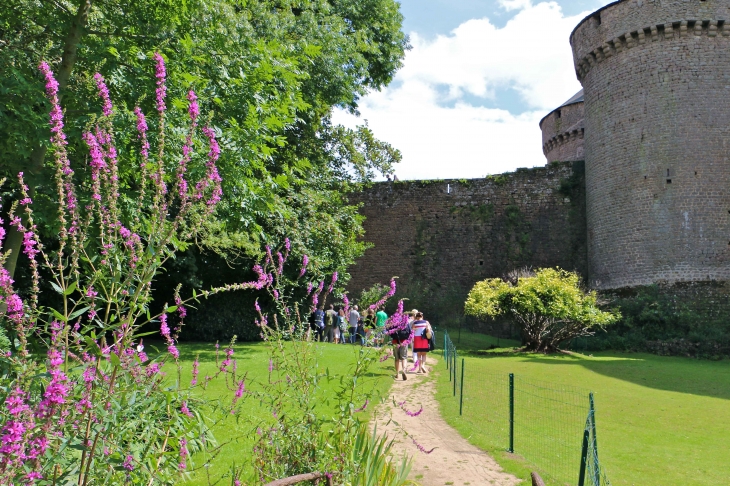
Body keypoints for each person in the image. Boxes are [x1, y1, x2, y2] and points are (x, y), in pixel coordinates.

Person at [388, 314, 411, 381]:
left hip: (395, 341)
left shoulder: (394, 321)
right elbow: (409, 332)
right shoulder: (406, 322)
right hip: (403, 341)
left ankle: (397, 373)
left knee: (396, 358)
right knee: (404, 357)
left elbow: (390, 332)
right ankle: (404, 370)